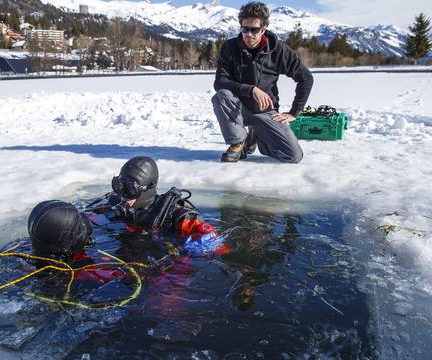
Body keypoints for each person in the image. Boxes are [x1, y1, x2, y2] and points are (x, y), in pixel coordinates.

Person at [212, 1, 314, 163]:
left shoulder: (279, 50)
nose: (249, 34)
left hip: (265, 111)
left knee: (293, 156)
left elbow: (306, 78)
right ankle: (238, 142)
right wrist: (251, 89)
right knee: (222, 95)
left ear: (264, 29)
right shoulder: (230, 48)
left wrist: (294, 112)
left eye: (254, 30)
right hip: (238, 110)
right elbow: (220, 82)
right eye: (245, 29)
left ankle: (257, 136)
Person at [86, 156, 227, 255]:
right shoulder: (115, 202)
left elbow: (217, 245)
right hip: (121, 255)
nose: (123, 195)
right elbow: (86, 215)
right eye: (119, 186)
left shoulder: (173, 215)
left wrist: (186, 252)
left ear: (147, 188)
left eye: (130, 189)